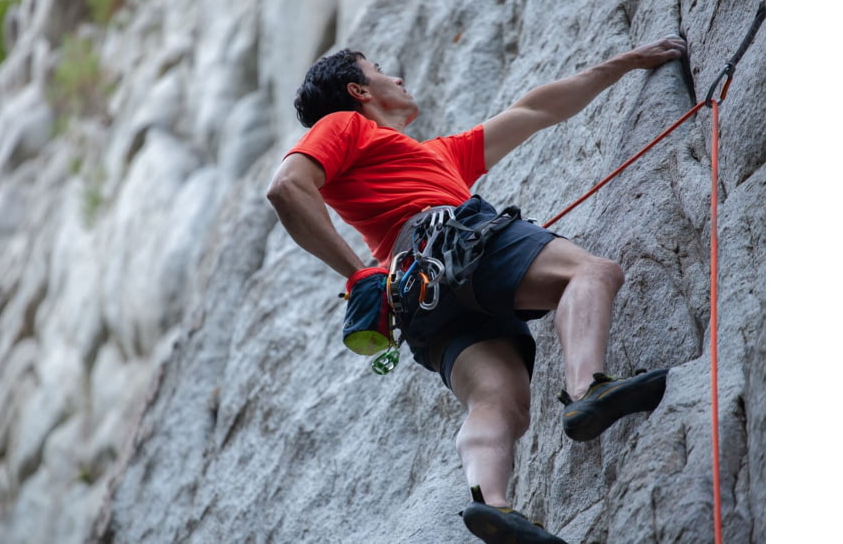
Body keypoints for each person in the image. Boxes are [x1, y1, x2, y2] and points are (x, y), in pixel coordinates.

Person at [266, 36, 686, 544]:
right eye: (380, 70)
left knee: (498, 399)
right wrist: (356, 273)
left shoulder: (436, 156)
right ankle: (588, 388)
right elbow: (287, 186)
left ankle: (492, 503)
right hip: (449, 241)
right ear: (358, 90)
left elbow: (533, 110)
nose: (396, 77)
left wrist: (626, 61)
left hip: (417, 299)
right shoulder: (344, 125)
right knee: (591, 272)